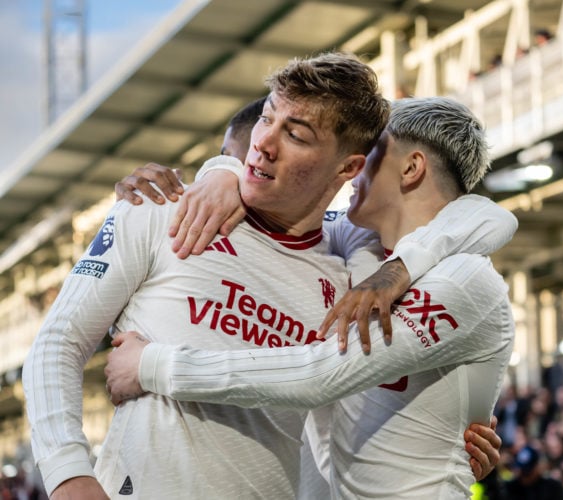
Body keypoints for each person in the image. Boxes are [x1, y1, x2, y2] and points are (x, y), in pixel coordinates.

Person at [23, 53, 515, 499]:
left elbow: (484, 218)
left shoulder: (351, 266)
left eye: (296, 135)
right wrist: (70, 476)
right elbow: (57, 342)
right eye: (266, 118)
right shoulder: (163, 213)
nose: (263, 144)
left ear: (350, 166)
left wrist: (152, 365)